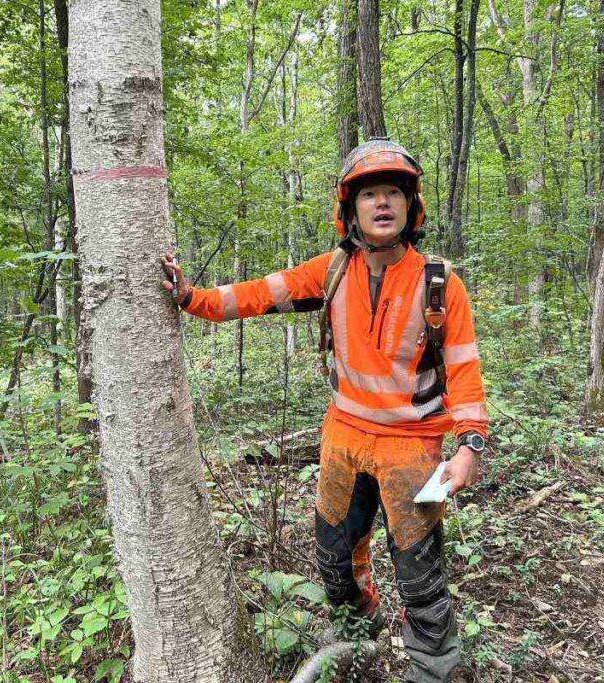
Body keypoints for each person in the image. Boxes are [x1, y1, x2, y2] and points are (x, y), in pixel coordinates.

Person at [160, 138, 488, 683]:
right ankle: (358, 639)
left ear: (411, 206)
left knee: (419, 572)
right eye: (369, 195)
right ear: (350, 210)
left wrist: (470, 443)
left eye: (392, 193)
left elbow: (464, 369)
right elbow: (260, 293)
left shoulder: (439, 283)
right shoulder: (332, 271)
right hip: (342, 438)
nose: (382, 203)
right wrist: (192, 297)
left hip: (413, 448)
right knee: (335, 559)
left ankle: (433, 670)